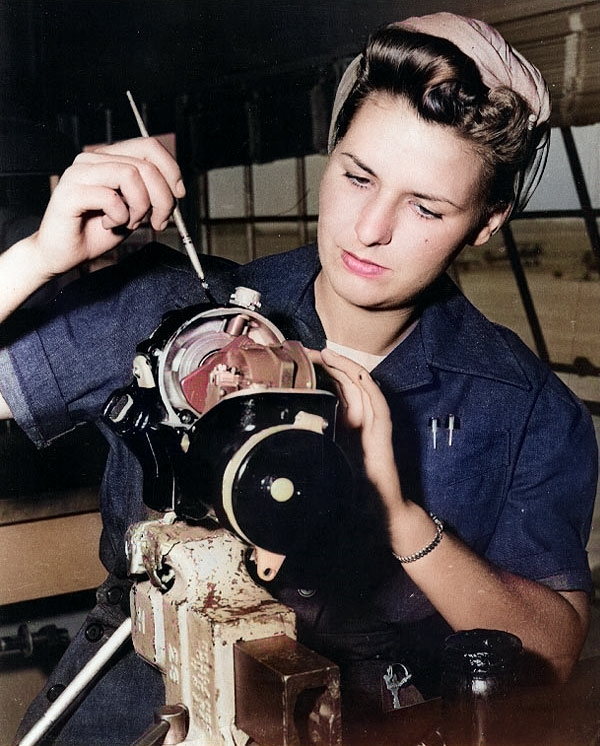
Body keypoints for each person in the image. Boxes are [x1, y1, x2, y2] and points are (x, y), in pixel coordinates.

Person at [1, 12, 596, 745]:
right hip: (136, 695)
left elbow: (553, 654)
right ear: (330, 150)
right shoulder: (181, 316)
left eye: (425, 206)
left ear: (487, 221)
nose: (370, 228)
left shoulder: (527, 406)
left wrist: (398, 514)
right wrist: (35, 258)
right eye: (357, 175)